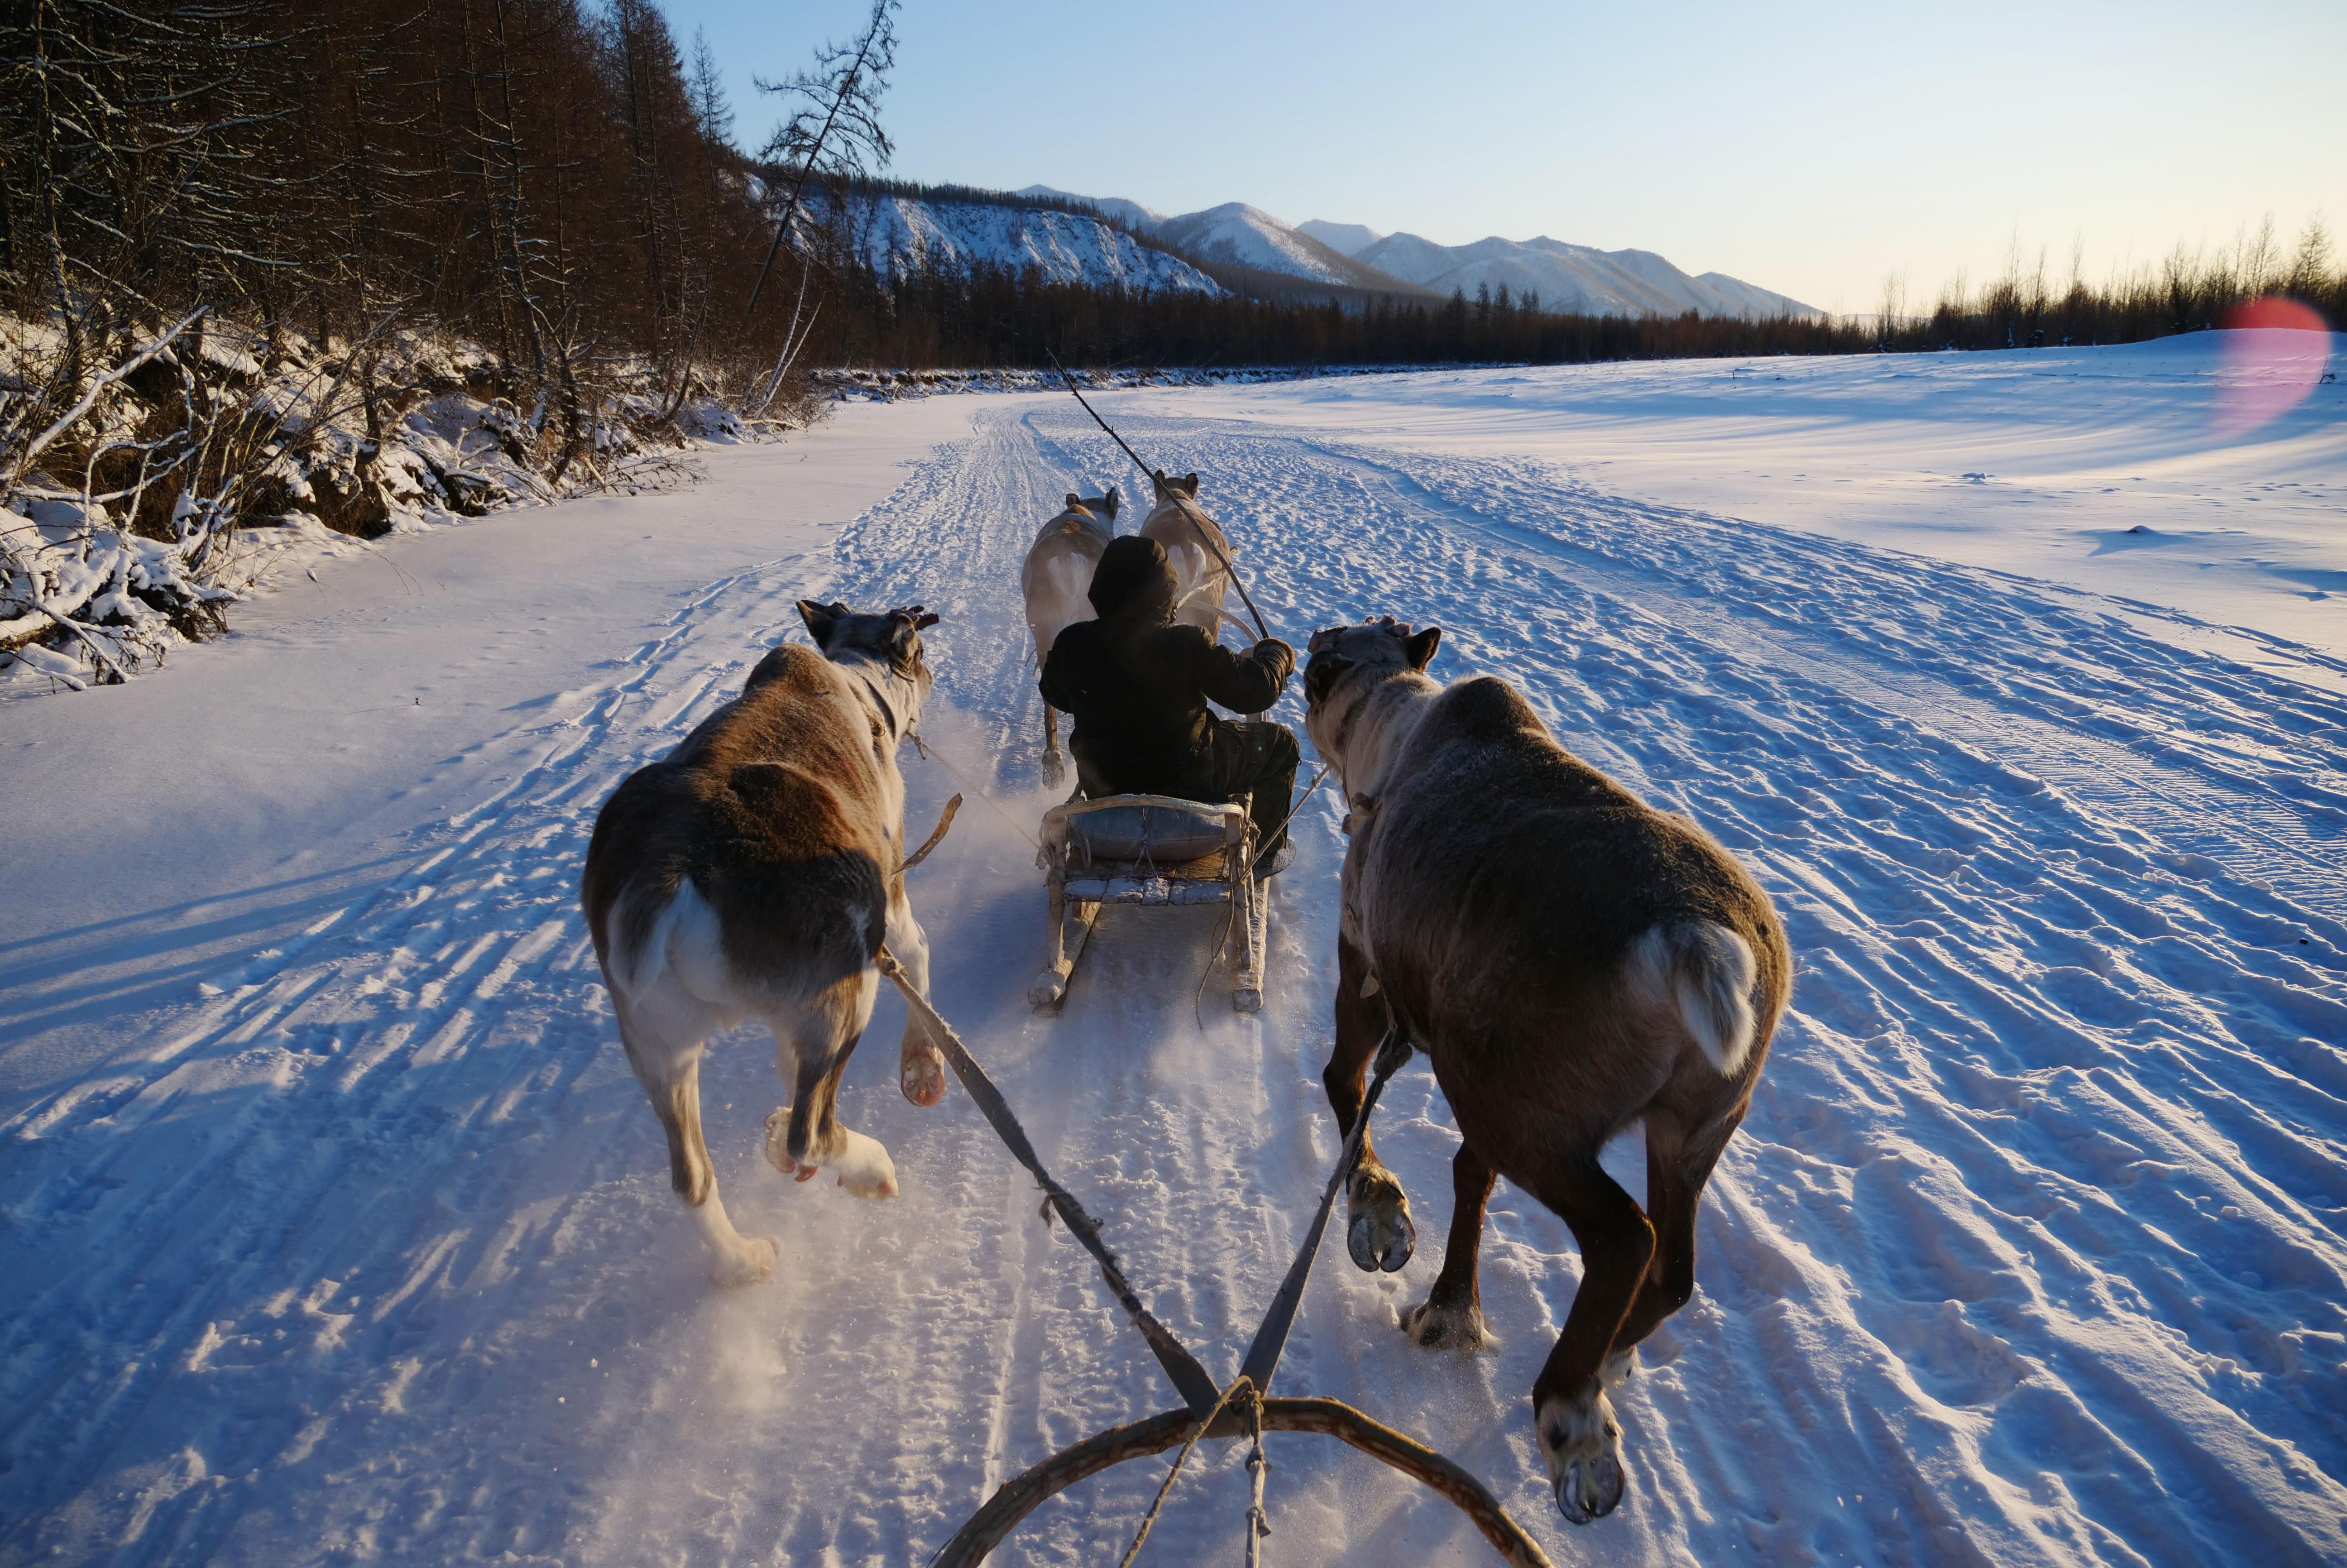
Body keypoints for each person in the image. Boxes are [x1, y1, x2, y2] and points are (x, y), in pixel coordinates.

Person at [1039, 535, 1300, 868]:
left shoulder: (1072, 644)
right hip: (1191, 788)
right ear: (1166, 590)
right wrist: (1276, 655)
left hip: (1106, 788)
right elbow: (1255, 690)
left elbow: (1054, 693)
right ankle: (1265, 856)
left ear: (1101, 587)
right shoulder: (1188, 644)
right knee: (1280, 745)